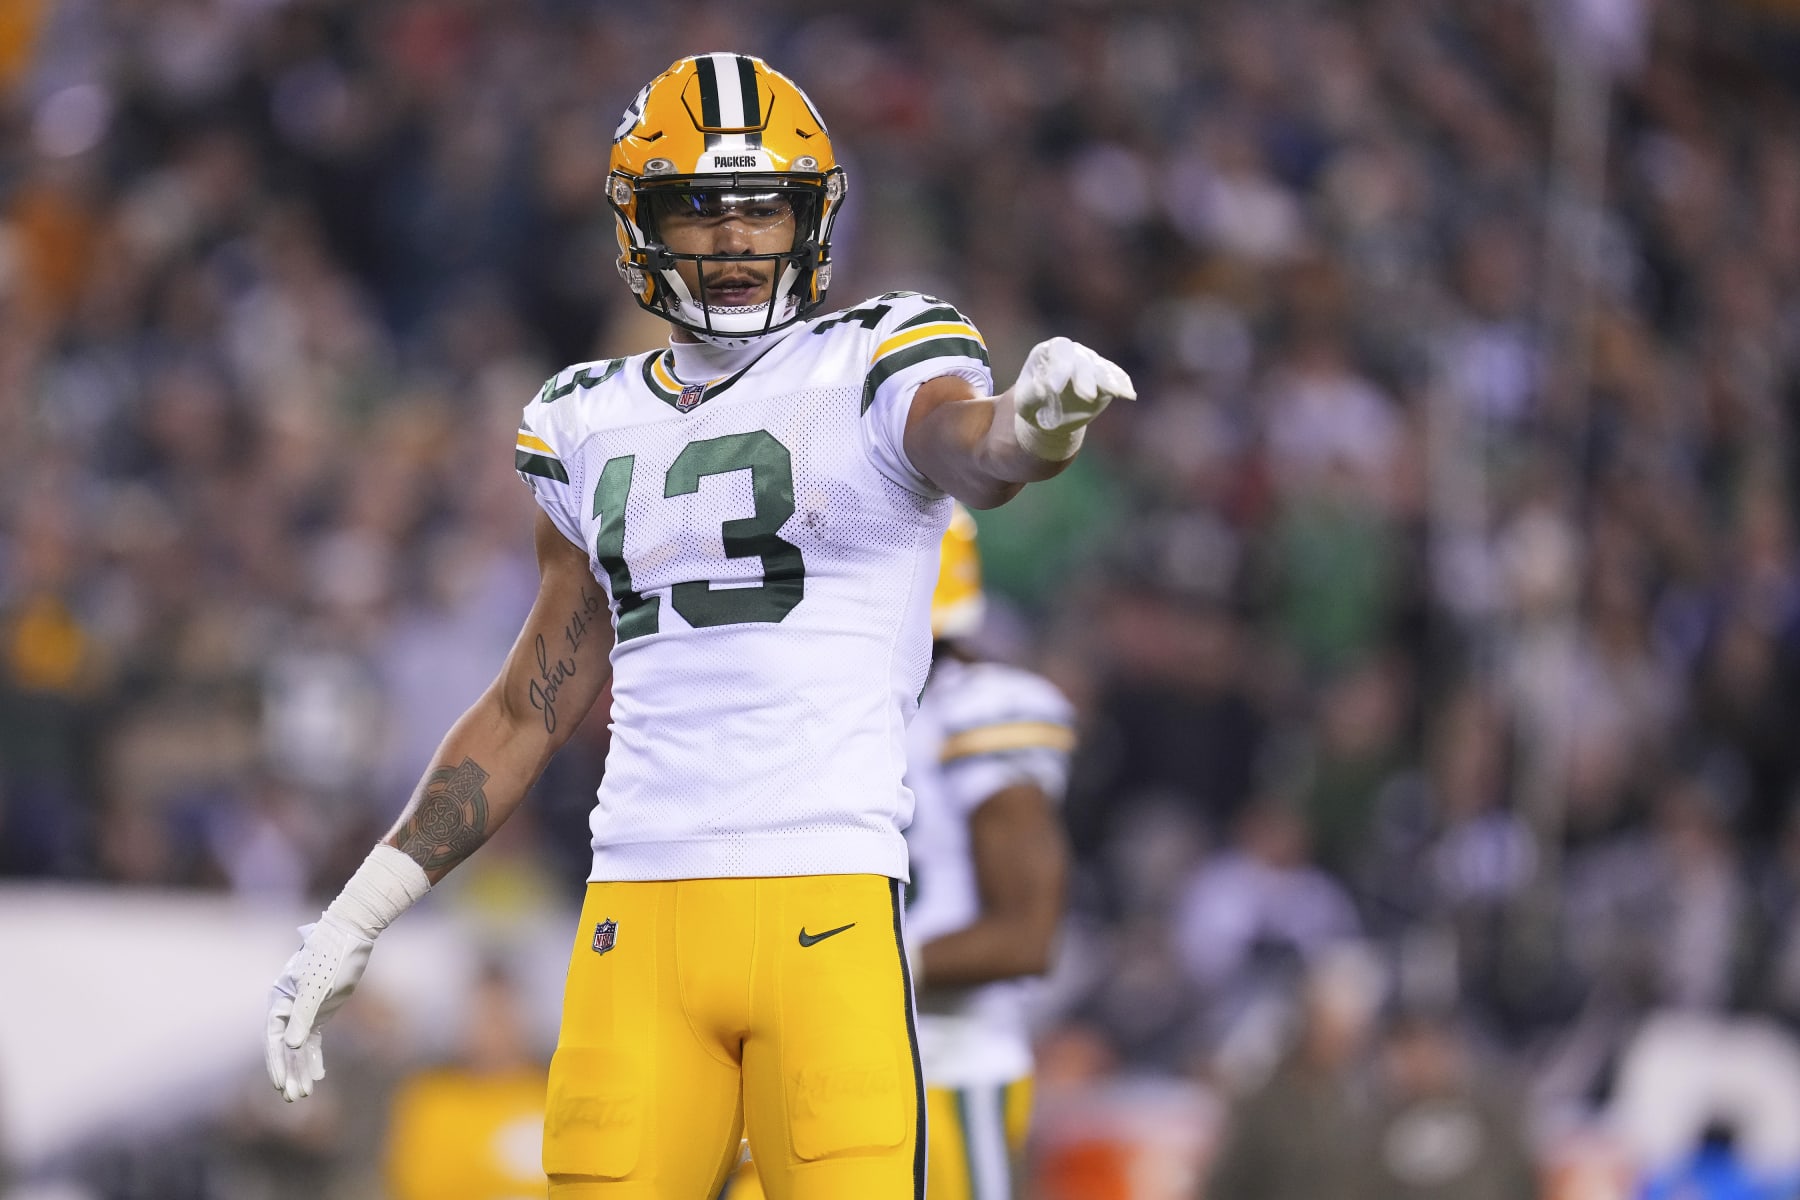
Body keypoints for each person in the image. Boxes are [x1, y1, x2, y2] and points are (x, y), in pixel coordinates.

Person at [262, 51, 1135, 1200]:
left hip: (828, 903)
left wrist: (1033, 425)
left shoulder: (878, 356)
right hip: (638, 917)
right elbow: (533, 696)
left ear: (809, 215)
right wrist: (360, 910)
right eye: (699, 208)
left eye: (763, 206)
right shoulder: (584, 418)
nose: (734, 239)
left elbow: (966, 446)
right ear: (640, 222)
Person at [724, 504, 1077, 1199]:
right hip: (814, 1063)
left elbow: (1025, 937)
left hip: (942, 1068)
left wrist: (857, 966)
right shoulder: (809, 712)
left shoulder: (979, 709)